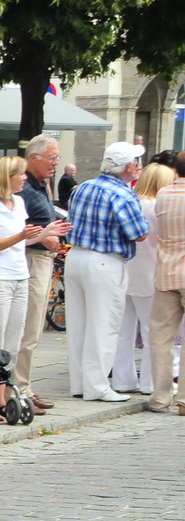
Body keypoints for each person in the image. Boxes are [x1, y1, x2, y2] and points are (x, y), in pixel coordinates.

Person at [64, 141, 150, 402]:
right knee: (103, 325)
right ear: (128, 167)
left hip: (76, 256)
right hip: (105, 262)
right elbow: (139, 233)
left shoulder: (83, 188)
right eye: (136, 163)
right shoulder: (123, 195)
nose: (138, 167)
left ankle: (80, 383)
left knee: (78, 325)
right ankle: (98, 386)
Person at [0, 156, 45, 415]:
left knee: (13, 341)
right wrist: (20, 236)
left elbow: (21, 241)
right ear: (7, 177)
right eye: (20, 174)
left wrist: (45, 234)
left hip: (19, 276)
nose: (24, 178)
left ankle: (0, 394)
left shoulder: (19, 202)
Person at [11, 134, 71, 414]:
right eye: (52, 157)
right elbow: (15, 232)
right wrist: (43, 238)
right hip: (31, 260)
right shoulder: (25, 189)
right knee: (30, 327)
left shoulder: (39, 186)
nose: (55, 163)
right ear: (33, 158)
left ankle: (24, 386)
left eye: (57, 158)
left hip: (41, 259)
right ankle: (19, 388)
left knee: (34, 328)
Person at [113, 163, 175, 393]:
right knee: (153, 333)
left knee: (123, 332)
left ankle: (122, 379)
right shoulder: (158, 206)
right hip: (150, 272)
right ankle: (150, 382)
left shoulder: (131, 202)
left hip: (125, 270)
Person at [147, 163, 185, 413]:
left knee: (160, 337)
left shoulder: (163, 194)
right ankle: (184, 399)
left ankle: (161, 396)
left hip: (167, 270)